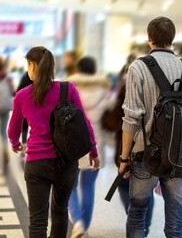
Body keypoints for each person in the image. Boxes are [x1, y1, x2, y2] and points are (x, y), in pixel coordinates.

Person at [118, 17, 182, 238]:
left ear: (149, 39)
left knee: (137, 212)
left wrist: (124, 158)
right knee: (176, 221)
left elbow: (131, 118)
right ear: (172, 39)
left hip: (145, 157)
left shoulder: (138, 68)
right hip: (181, 159)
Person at [8, 46, 100, 238]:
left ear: (33, 66)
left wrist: (15, 143)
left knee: (37, 219)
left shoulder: (22, 96)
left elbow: (13, 130)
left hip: (36, 163)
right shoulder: (68, 89)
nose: (27, 70)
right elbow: (84, 122)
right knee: (60, 212)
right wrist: (93, 151)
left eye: (28, 65)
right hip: (65, 163)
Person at [62, 56, 109, 237]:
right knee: (88, 188)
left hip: (72, 144)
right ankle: (85, 226)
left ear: (78, 69)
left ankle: (78, 222)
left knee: (70, 187)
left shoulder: (67, 88)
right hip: (94, 144)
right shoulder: (103, 89)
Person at [113, 55, 154, 237]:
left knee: (128, 189)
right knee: (146, 192)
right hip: (151, 149)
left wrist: (123, 157)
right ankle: (144, 224)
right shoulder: (155, 87)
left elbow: (121, 120)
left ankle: (139, 222)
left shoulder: (125, 92)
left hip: (131, 147)